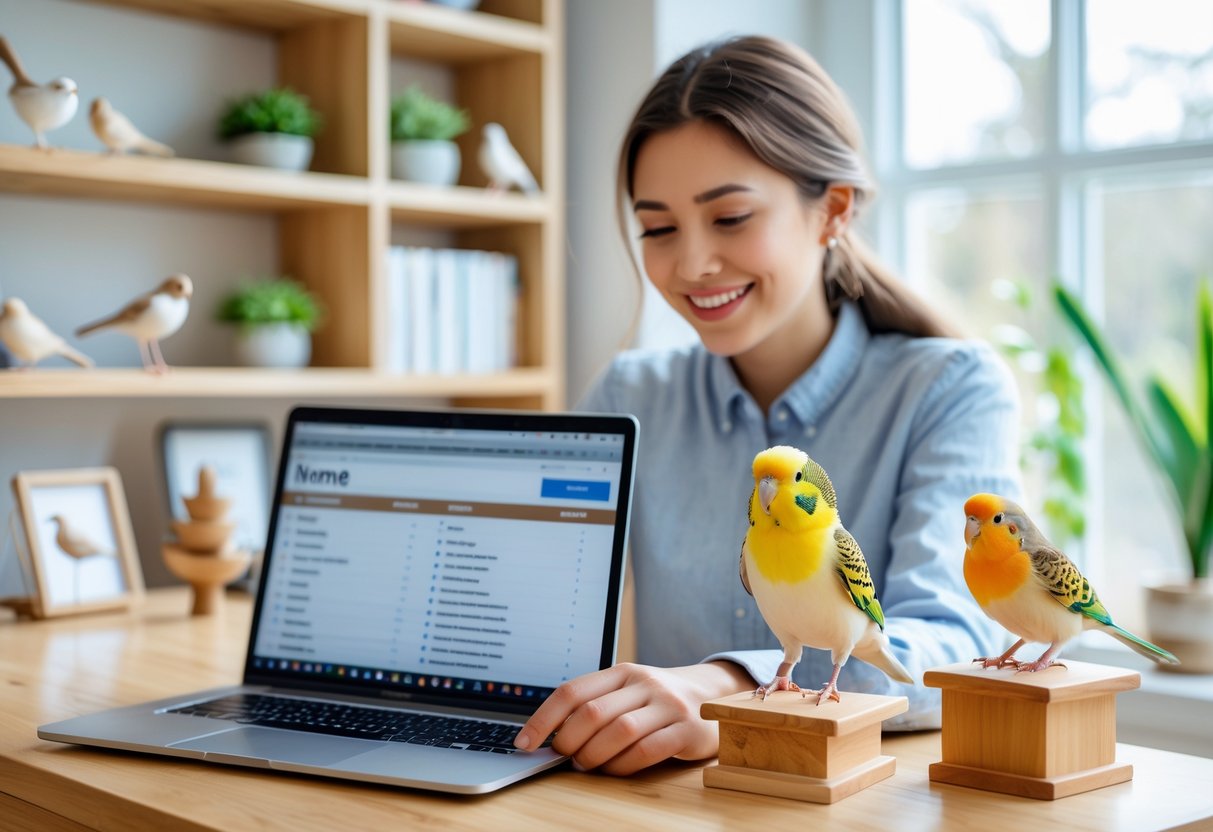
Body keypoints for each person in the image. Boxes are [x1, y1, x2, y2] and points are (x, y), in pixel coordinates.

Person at [512, 35, 1023, 775]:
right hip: (670, 808)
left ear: (832, 211)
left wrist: (728, 686)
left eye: (729, 218)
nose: (689, 265)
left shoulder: (946, 390)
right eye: (657, 228)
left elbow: (951, 650)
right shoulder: (630, 394)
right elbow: (536, 611)